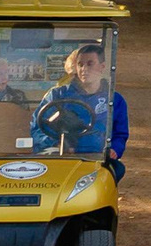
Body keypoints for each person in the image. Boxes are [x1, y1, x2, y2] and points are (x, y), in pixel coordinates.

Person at [33, 41, 131, 180]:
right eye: (80, 64)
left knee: (116, 170)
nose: (84, 69)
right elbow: (37, 127)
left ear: (102, 67)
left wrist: (114, 149)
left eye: (90, 64)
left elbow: (120, 134)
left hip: (97, 157)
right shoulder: (57, 95)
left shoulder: (114, 99)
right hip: (60, 155)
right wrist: (56, 144)